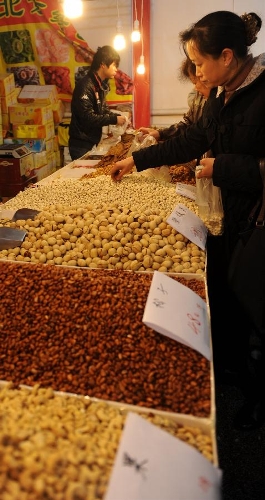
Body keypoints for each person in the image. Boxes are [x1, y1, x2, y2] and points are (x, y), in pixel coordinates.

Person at [111, 11, 265, 431]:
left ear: (228, 56)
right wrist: (137, 160)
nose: (195, 73)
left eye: (198, 63)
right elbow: (194, 138)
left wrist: (222, 168)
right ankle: (234, 371)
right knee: (230, 293)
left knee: (253, 296)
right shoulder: (220, 93)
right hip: (227, 215)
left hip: (257, 220)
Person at [69, 45, 127, 160]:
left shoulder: (100, 85)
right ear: (103, 65)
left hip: (91, 141)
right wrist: (114, 119)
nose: (116, 69)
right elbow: (88, 117)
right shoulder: (86, 86)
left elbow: (103, 111)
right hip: (81, 144)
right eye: (114, 65)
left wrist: (119, 117)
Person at [138, 57, 211, 144]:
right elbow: (188, 125)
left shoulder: (219, 103)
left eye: (195, 82)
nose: (195, 88)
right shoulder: (198, 97)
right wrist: (161, 134)